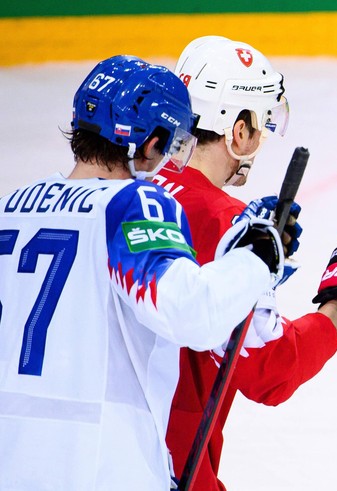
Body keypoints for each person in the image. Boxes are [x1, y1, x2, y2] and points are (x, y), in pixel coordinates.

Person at [0, 55, 289, 489]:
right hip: (102, 467)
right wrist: (256, 259)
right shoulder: (130, 205)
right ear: (150, 143)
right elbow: (192, 313)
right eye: (171, 143)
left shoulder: (11, 208)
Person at [154, 36, 337, 490]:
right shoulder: (222, 223)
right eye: (261, 124)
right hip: (162, 465)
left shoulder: (126, 194)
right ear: (239, 129)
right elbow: (270, 372)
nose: (261, 138)